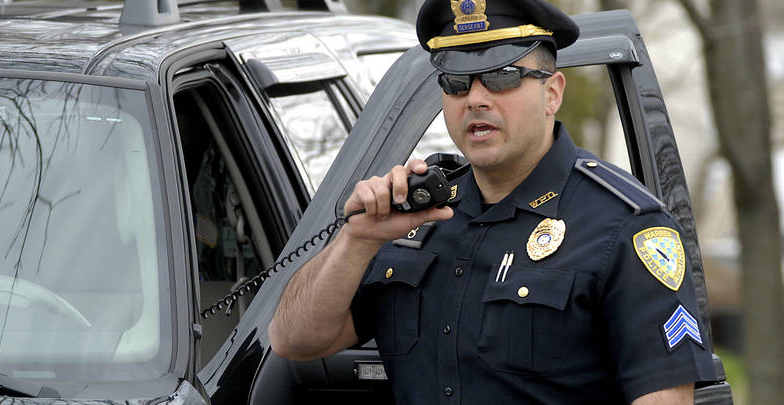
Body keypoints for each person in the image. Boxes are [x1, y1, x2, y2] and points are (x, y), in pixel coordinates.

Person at [268, 0, 717, 403]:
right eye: (457, 82)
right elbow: (294, 340)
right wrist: (357, 240)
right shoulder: (413, 218)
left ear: (553, 92)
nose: (476, 100)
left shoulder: (624, 227)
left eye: (503, 77)